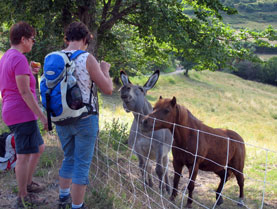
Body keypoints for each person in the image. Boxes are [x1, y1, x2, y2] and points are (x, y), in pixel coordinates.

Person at [55, 21, 113, 209]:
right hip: (85, 119)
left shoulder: (54, 57)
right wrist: (105, 70)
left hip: (61, 117)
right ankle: (77, 206)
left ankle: (63, 198)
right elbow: (108, 89)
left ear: (67, 38)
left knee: (68, 158)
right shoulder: (87, 58)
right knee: (81, 164)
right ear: (85, 39)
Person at [0, 21, 48, 208]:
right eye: (32, 39)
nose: (33, 42)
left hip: (14, 111)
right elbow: (24, 92)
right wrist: (42, 116)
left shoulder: (7, 57)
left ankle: (28, 184)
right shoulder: (18, 58)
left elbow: (15, 82)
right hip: (21, 113)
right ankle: (22, 197)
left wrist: (30, 71)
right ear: (23, 39)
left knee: (38, 147)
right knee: (24, 156)